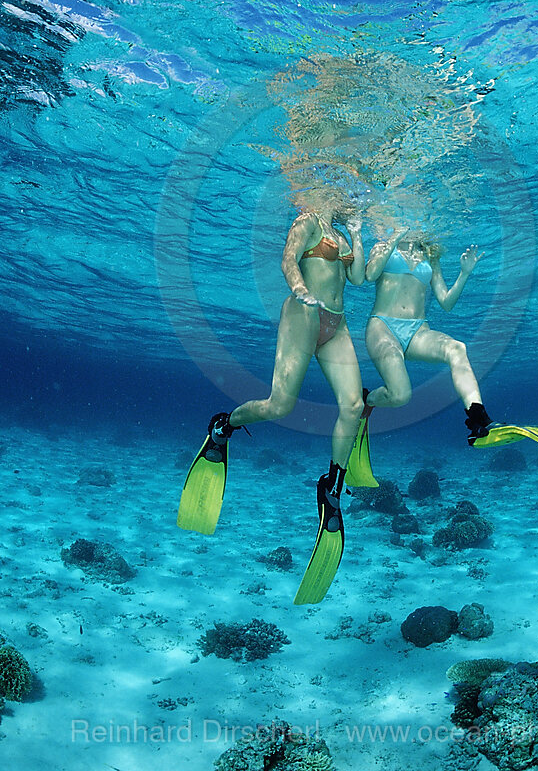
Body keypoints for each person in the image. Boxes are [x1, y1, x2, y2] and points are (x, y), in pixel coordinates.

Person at [177, 201, 366, 604]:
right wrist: (300, 290)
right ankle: (222, 427)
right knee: (280, 405)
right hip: (303, 314)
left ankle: (331, 488)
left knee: (353, 405)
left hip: (337, 322)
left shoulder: (341, 230)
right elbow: (288, 259)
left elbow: (358, 278)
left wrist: (360, 232)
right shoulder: (308, 221)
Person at [363, 229, 492, 445]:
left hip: (418, 331)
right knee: (400, 396)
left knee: (457, 348)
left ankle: (478, 416)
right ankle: (367, 399)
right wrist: (392, 240)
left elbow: (446, 303)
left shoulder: (430, 254)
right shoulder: (383, 245)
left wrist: (464, 273)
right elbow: (369, 275)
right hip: (383, 327)